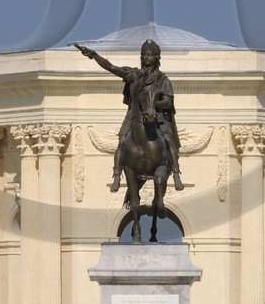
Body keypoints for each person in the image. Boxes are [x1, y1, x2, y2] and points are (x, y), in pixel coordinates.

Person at [75, 38, 184, 191]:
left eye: (150, 54)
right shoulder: (133, 75)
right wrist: (95, 56)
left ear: (156, 58)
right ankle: (117, 175)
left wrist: (154, 105)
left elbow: (168, 102)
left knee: (167, 139)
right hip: (134, 115)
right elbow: (111, 67)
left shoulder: (162, 79)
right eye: (144, 54)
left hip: (157, 116)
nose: (146, 57)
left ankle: (176, 172)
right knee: (122, 139)